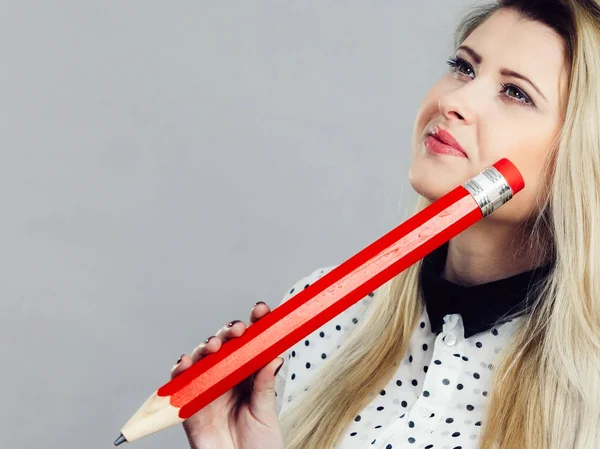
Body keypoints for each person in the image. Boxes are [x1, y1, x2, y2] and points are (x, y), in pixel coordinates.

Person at [169, 0, 600, 447]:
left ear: (583, 155)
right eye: (464, 68)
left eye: (515, 92)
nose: (453, 101)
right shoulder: (321, 315)